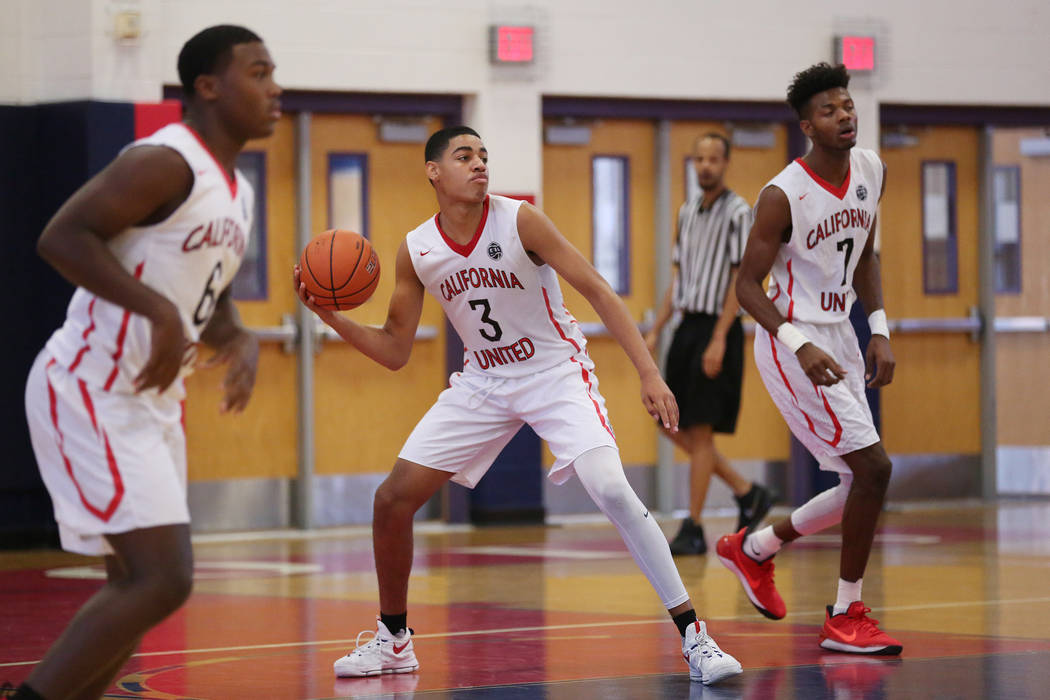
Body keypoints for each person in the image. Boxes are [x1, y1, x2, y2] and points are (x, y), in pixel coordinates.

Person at [294, 126, 743, 686]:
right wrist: (330, 317)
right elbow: (393, 350)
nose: (479, 164)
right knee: (391, 500)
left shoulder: (520, 220)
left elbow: (600, 290)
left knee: (609, 487)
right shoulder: (418, 249)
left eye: (484, 155)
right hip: (484, 381)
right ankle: (393, 641)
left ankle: (696, 637)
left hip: (555, 372)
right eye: (464, 156)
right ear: (433, 171)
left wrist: (649, 373)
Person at [17, 25, 280, 700]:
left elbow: (209, 295)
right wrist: (157, 313)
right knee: (163, 579)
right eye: (258, 73)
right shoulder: (166, 160)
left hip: (152, 404)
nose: (274, 88)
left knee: (140, 592)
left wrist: (239, 336)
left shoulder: (239, 192)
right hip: (90, 389)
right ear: (208, 86)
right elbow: (62, 236)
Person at [716, 62, 902, 655]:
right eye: (830, 110)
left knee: (860, 480)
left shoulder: (872, 168)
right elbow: (747, 286)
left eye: (847, 105)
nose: (844, 115)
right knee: (872, 470)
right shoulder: (782, 195)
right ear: (807, 126)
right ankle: (845, 614)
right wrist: (800, 343)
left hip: (842, 333)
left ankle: (752, 549)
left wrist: (877, 327)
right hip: (790, 340)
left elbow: (867, 253)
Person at [646, 132, 776, 555]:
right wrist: (656, 328)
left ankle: (693, 526)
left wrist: (720, 337)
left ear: (725, 163)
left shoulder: (739, 213)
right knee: (669, 422)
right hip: (686, 326)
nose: (705, 166)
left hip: (717, 328)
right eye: (699, 159)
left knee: (700, 434)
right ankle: (746, 491)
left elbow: (742, 282)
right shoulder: (686, 212)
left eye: (713, 159)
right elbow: (679, 279)